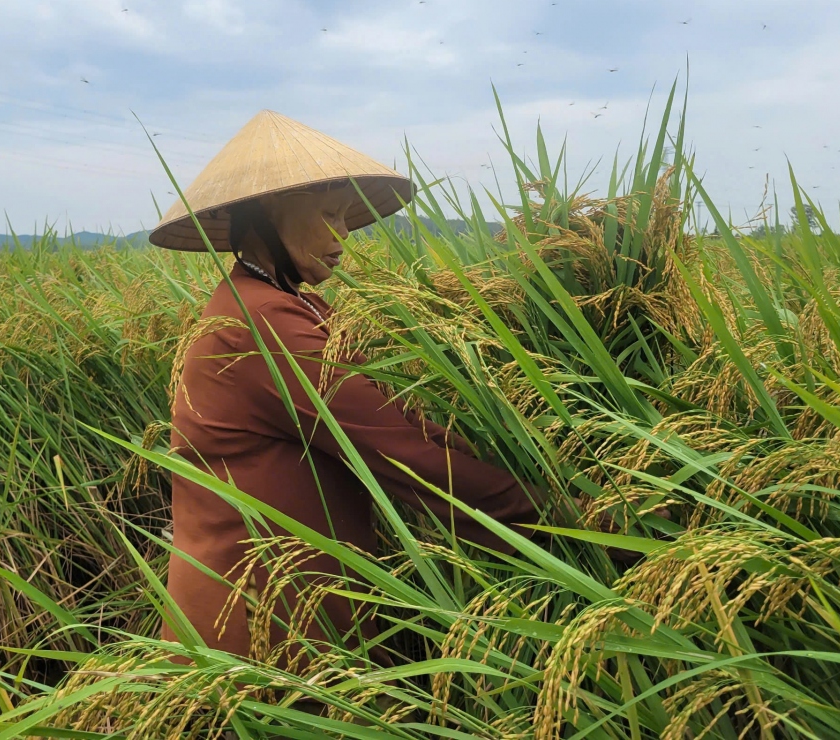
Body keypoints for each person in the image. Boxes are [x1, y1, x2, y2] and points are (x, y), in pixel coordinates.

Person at [148, 110, 543, 668]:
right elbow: (403, 455)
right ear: (266, 222)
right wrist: (547, 513)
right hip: (253, 629)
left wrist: (473, 449)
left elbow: (392, 419)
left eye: (346, 215)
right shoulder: (262, 324)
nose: (345, 234)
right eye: (329, 214)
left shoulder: (282, 301)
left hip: (289, 613)